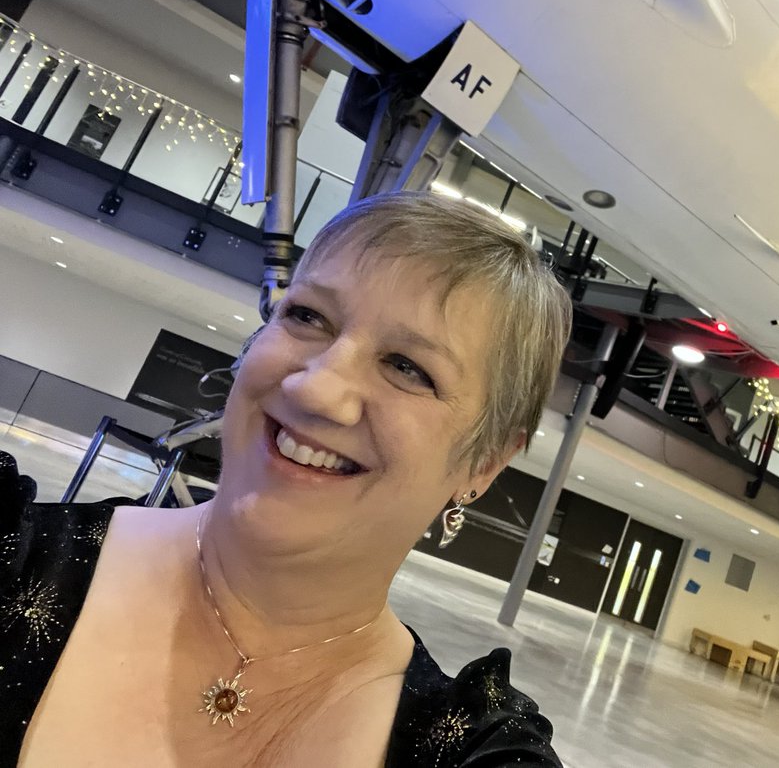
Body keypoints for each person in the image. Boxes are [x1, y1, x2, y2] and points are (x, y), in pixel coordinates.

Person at [0, 192, 573, 767]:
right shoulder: (14, 549)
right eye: (308, 316)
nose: (315, 389)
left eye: (408, 368)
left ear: (485, 463)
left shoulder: (472, 750)